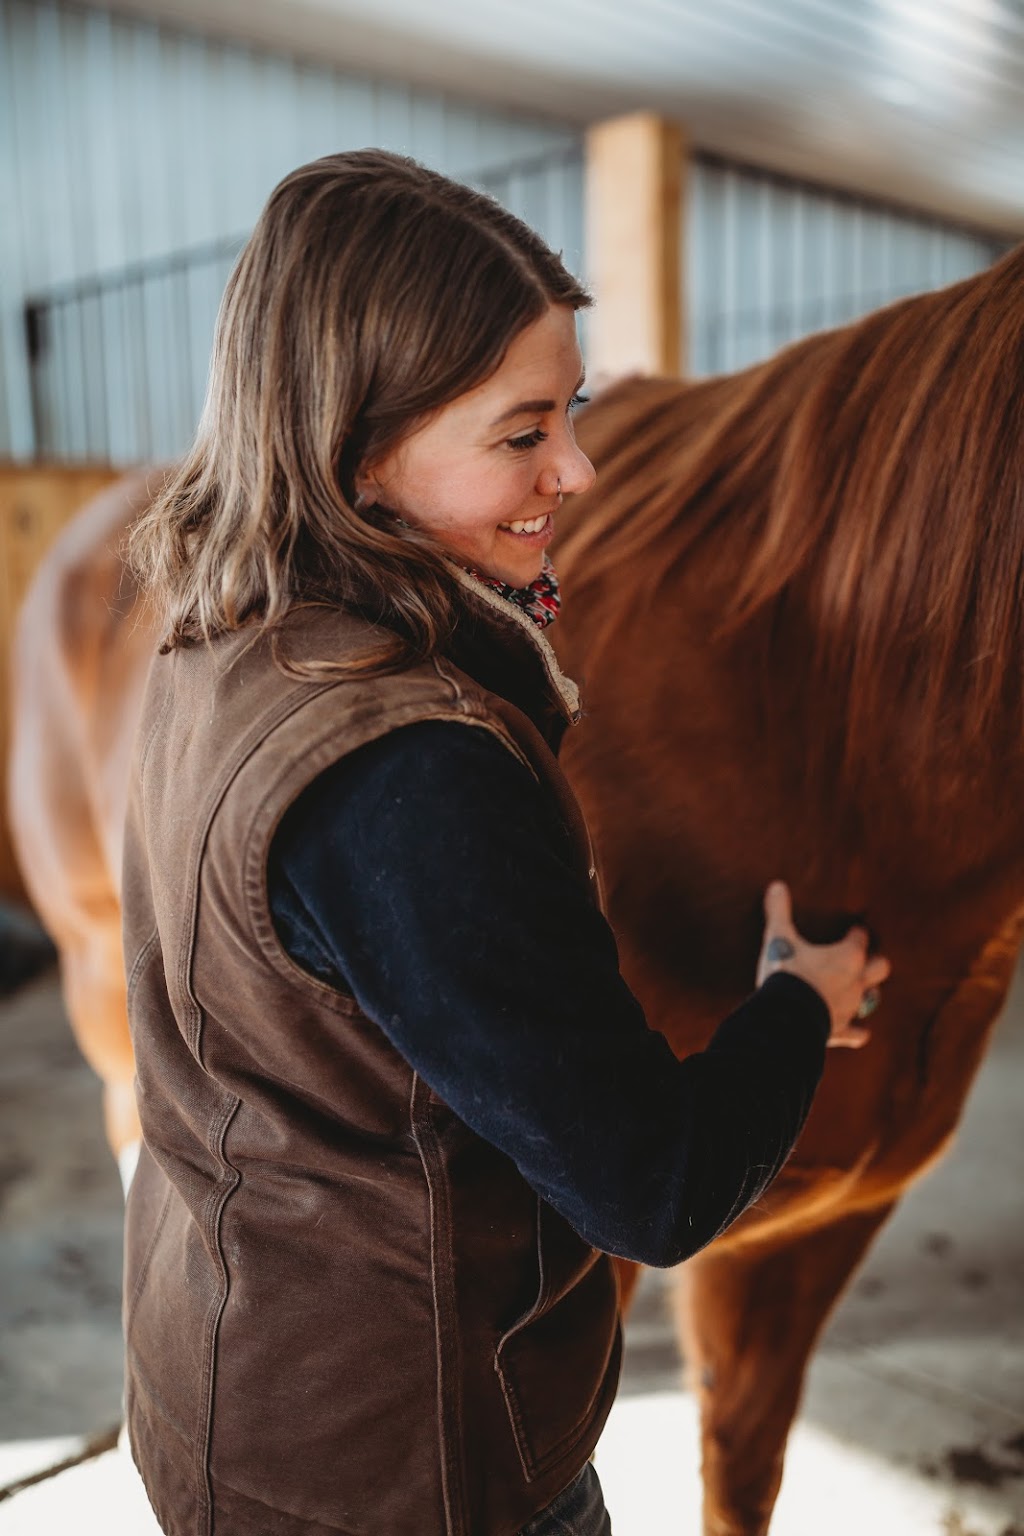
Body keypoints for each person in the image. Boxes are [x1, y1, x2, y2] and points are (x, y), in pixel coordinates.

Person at [122, 149, 890, 1536]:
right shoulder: (411, 770)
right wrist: (795, 1005)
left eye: (573, 413)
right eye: (524, 432)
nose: (578, 470)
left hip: (236, 1385)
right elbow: (648, 1188)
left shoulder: (216, 648)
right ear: (359, 452)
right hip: (417, 1471)